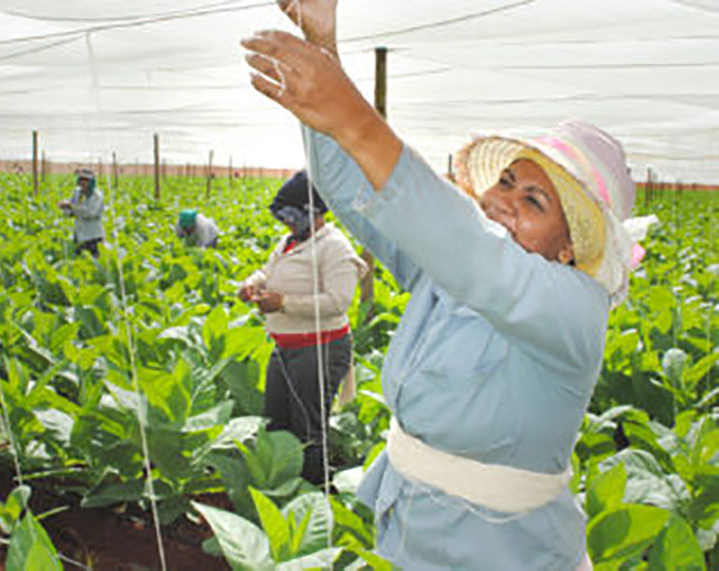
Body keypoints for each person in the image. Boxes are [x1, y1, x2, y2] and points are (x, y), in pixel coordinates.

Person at [241, 2, 655, 569]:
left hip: (502, 552)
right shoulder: (444, 272)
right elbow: (354, 194)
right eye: (505, 182)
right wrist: (324, 51)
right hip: (404, 525)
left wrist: (355, 117)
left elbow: (472, 250)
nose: (504, 200)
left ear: (570, 249)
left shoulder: (575, 309)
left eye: (533, 201)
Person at [238, 170, 368, 485]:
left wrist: (283, 303)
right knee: (275, 422)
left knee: (308, 429)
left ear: (312, 213)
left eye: (291, 215)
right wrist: (252, 284)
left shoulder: (334, 247)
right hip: (287, 348)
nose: (285, 222)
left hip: (319, 349)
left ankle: (314, 493)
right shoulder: (289, 241)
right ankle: (281, 486)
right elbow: (267, 271)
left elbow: (338, 301)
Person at [58, 169, 104, 258]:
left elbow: (90, 212)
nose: (83, 182)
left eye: (86, 180)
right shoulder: (77, 193)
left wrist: (71, 206)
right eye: (81, 179)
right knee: (79, 260)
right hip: (79, 235)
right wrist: (65, 209)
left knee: (93, 262)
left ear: (92, 182)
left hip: (93, 236)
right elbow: (72, 210)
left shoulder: (97, 196)